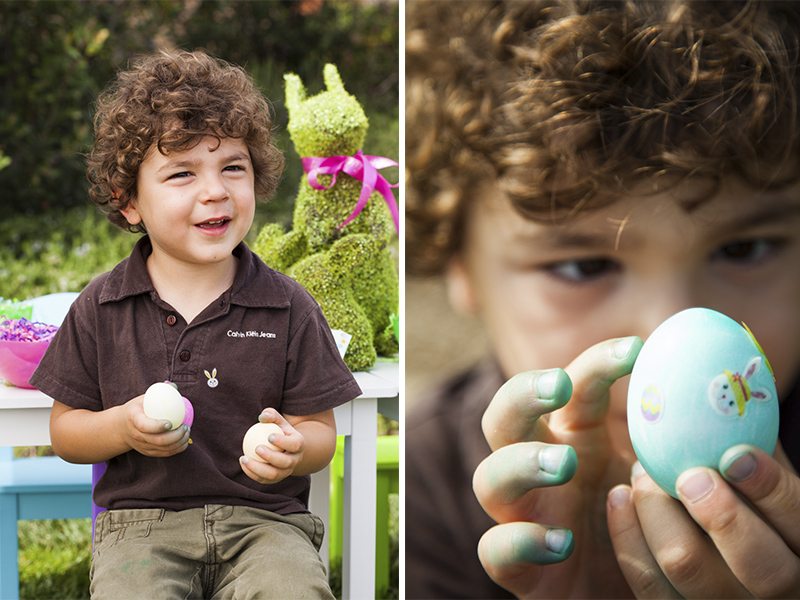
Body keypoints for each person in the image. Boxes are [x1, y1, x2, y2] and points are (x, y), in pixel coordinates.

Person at [405, 1, 800, 598]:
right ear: (458, 262)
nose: (666, 324)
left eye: (744, 250)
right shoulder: (427, 491)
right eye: (583, 265)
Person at [31, 49, 362, 599]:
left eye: (233, 166)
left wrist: (292, 449)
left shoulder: (288, 306)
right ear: (128, 201)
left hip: (267, 525)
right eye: (182, 173)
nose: (215, 190)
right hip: (141, 527)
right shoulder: (102, 305)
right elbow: (66, 432)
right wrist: (123, 428)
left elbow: (320, 432)